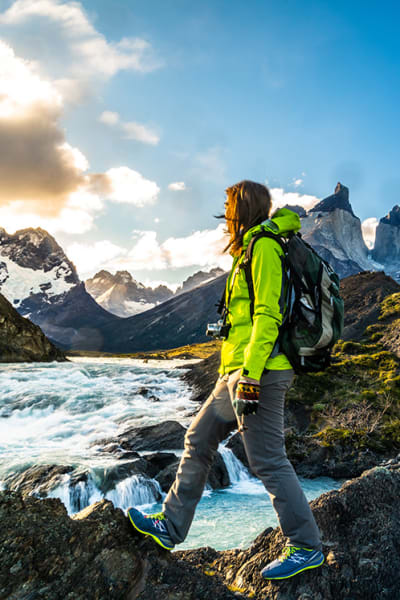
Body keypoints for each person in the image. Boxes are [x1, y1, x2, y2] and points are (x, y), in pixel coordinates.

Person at [128, 180, 324, 580]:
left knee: (268, 459)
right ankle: (170, 525)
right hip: (235, 373)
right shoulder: (250, 248)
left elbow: (268, 316)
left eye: (230, 207)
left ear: (243, 209)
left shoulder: (265, 247)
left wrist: (250, 376)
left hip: (261, 372)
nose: (226, 216)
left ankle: (306, 546)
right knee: (198, 440)